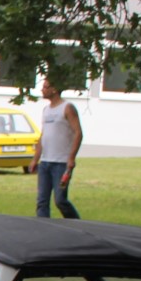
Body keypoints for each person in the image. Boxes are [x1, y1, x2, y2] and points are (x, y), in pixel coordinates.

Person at [35, 77, 83, 219]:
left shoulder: (67, 108)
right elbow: (43, 135)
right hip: (45, 163)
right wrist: (35, 159)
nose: (42, 90)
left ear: (54, 89)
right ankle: (43, 228)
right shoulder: (46, 110)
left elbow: (78, 133)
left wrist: (71, 158)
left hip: (61, 163)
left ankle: (76, 223)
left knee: (60, 200)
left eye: (45, 87)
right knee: (42, 201)